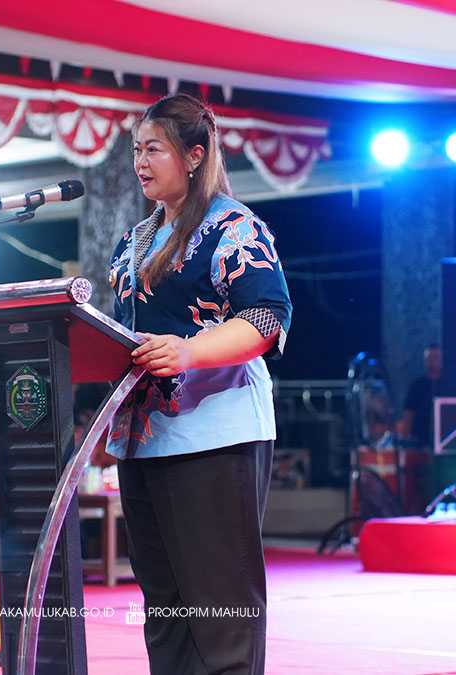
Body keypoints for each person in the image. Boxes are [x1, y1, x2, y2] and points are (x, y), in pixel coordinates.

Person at [107, 93, 291, 674]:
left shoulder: (233, 227)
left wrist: (188, 350)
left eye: (154, 149)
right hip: (144, 437)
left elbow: (266, 317)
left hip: (216, 433)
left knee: (221, 607)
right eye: (137, 150)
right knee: (164, 605)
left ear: (194, 155)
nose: (141, 162)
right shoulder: (134, 240)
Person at [399, 344, 444, 446]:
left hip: (444, 441)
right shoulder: (417, 386)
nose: (432, 362)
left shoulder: (449, 385)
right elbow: (409, 414)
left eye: (436, 357)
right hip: (420, 441)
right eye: (429, 358)